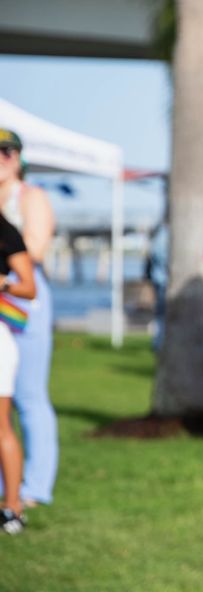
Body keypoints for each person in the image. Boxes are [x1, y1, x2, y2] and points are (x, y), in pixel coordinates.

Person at [0, 129, 57, 508]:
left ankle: (35, 487)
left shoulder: (31, 197)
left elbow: (35, 248)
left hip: (23, 297)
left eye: (7, 152)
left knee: (29, 396)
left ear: (18, 158)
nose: (1, 158)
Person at [0, 212, 37, 534]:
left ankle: (12, 507)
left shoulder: (5, 230)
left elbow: (29, 288)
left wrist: (3, 282)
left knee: (1, 425)